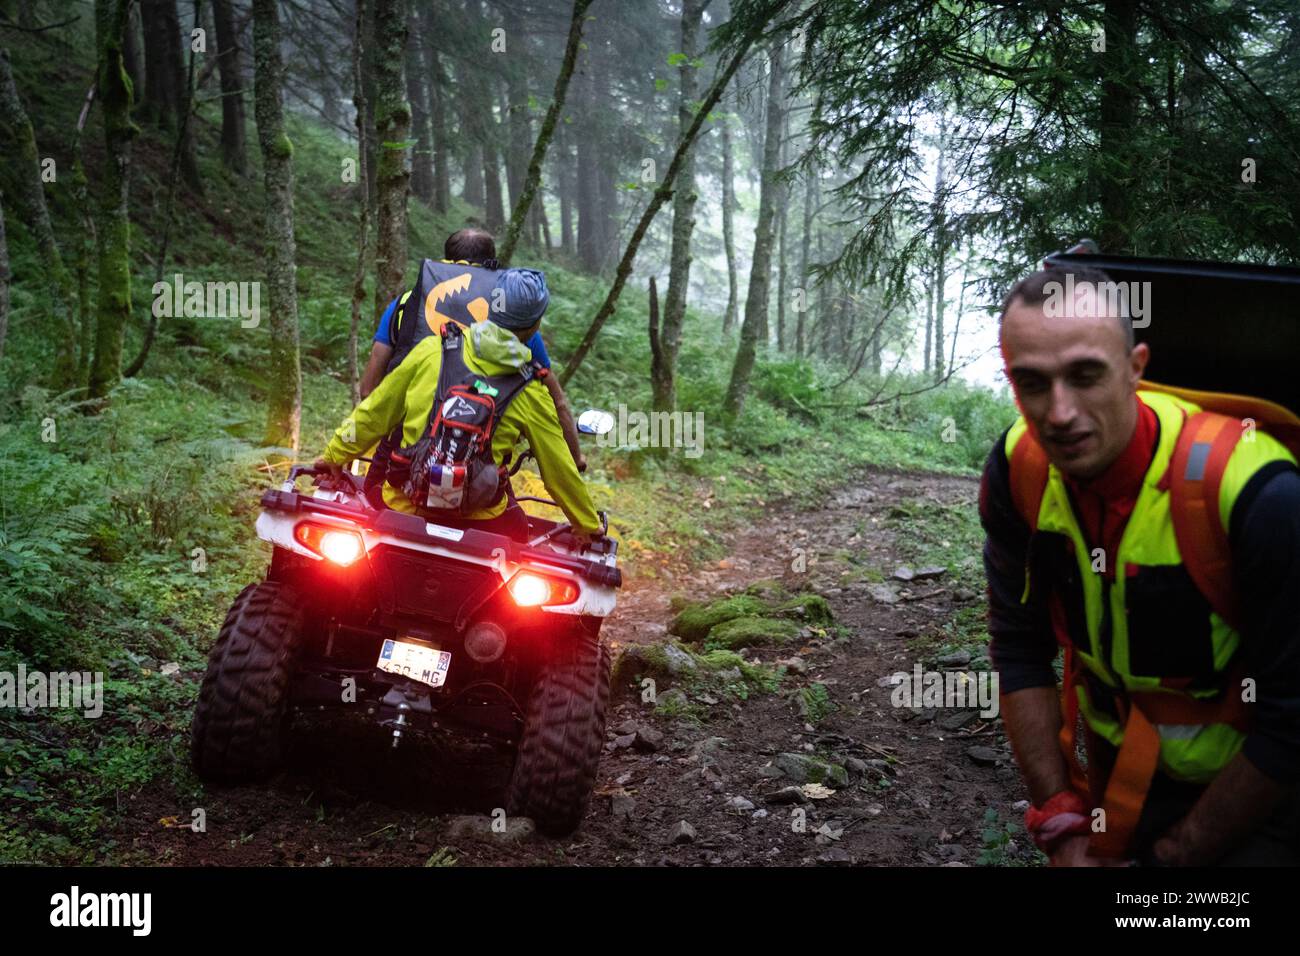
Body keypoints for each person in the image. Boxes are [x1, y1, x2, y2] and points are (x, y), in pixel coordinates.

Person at [980, 265, 1300, 866]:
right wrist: (1059, 818)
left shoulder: (1256, 493)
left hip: (1267, 789)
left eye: (1085, 375)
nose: (1059, 413)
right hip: (1122, 779)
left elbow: (1293, 719)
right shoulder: (1019, 471)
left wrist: (1170, 861)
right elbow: (1020, 648)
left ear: (1136, 367)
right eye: (1032, 383)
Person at [316, 268, 602, 545]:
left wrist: (335, 455)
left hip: (403, 506)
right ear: (535, 325)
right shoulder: (531, 389)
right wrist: (587, 524)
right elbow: (558, 470)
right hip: (481, 521)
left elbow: (374, 414)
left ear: (490, 307)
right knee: (519, 532)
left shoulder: (432, 350)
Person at [358, 227, 586, 472]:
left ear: (447, 261)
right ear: (492, 265)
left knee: (373, 500)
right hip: (477, 466)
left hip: (400, 454)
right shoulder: (513, 320)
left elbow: (368, 389)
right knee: (502, 508)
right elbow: (557, 401)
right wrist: (576, 458)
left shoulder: (405, 305)